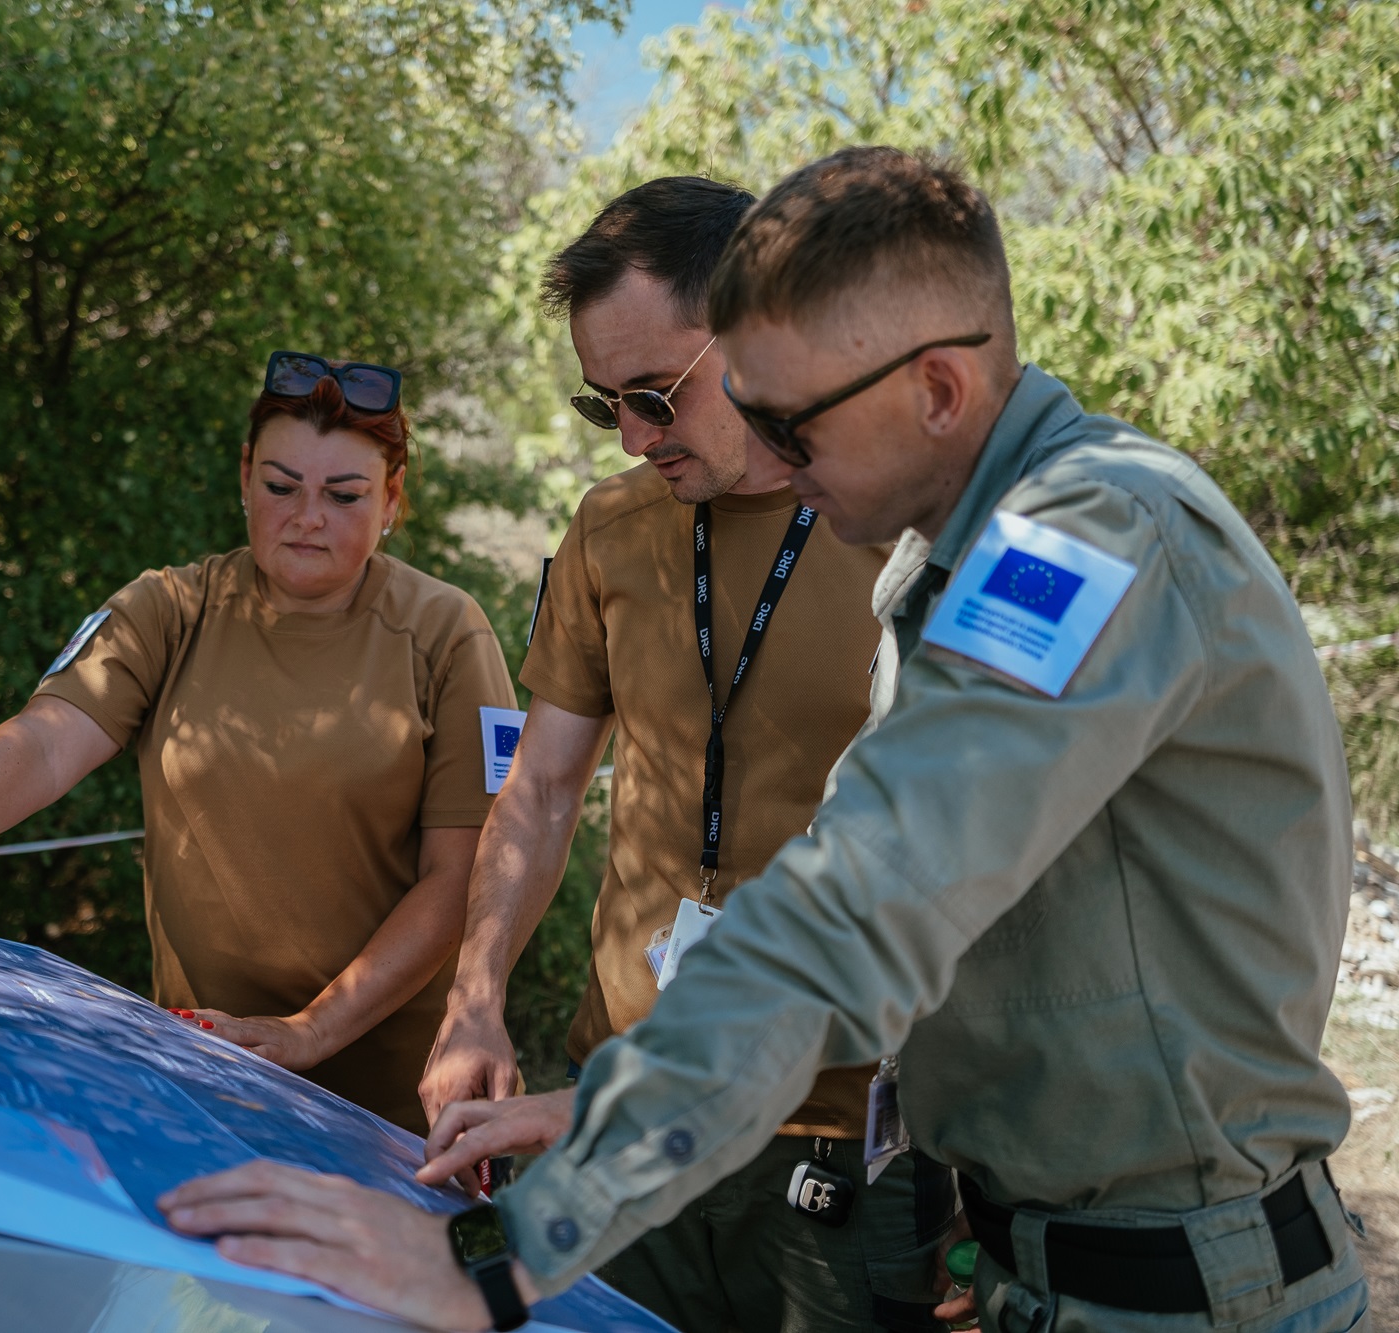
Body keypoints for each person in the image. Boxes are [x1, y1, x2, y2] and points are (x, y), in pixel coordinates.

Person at [158, 148, 1367, 1333]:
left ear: (934, 391)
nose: (775, 459)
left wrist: (504, 1249)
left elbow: (863, 903)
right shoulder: (953, 549)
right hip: (1053, 1266)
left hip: (1169, 1284)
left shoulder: (1082, 537)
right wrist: (597, 1108)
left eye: (787, 420)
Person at [0, 351, 518, 1134]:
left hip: (399, 1111)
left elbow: (462, 878)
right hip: (210, 1076)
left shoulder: (446, 634)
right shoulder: (172, 609)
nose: (307, 517)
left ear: (393, 497)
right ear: (242, 477)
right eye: (281, 485)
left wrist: (312, 1028)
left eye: (344, 494)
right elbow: (44, 744)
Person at [415, 176, 954, 1332]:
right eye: (600, 402)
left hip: (838, 1134)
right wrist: (474, 1000)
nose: (630, 436)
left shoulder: (907, 530)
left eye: (655, 394)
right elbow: (544, 781)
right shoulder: (610, 530)